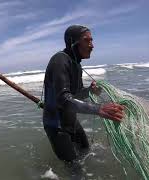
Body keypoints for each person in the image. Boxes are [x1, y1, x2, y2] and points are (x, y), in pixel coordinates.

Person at [42, 25, 124, 162]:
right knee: (74, 168)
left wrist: (90, 91)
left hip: (71, 120)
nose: (92, 45)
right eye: (87, 40)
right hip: (56, 125)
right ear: (72, 42)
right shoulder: (59, 60)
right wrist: (99, 109)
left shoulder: (76, 64)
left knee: (86, 151)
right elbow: (63, 99)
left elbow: (76, 95)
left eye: (92, 40)